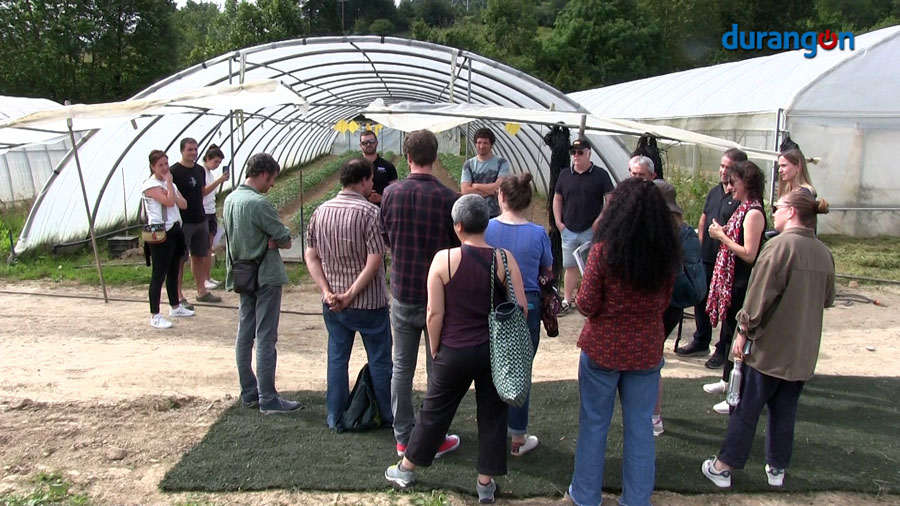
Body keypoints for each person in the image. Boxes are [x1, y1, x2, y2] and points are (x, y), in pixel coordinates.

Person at [384, 195, 527, 504]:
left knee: (434, 412)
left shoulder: (443, 260)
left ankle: (406, 469)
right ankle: (485, 486)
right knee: (492, 416)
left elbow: (434, 314)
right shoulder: (505, 259)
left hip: (455, 350)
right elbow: (522, 309)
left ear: (458, 226)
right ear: (485, 223)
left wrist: (435, 347)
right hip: (495, 354)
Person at [702, 190, 834, 489]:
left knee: (746, 408)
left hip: (768, 349)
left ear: (791, 211)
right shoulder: (824, 253)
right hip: (802, 351)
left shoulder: (778, 247)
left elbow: (758, 298)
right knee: (785, 412)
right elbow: (826, 299)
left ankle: (723, 466)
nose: (774, 210)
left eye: (778, 206)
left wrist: (743, 332)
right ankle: (776, 468)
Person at [566, 178, 680, 506]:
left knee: (594, 425)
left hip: (603, 349)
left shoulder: (603, 252)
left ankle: (586, 496)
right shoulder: (666, 256)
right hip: (645, 351)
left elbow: (586, 304)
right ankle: (636, 499)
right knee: (641, 429)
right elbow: (664, 303)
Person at [380, 129, 461, 457]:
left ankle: (403, 437)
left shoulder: (390, 194)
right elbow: (458, 249)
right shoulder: (450, 199)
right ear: (435, 157)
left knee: (401, 367)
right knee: (436, 368)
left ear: (407, 157)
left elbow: (386, 237)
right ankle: (433, 437)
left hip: (401, 291)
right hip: (438, 297)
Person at [305, 157, 393, 430]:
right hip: (369, 303)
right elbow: (375, 259)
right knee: (379, 359)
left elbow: (311, 254)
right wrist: (352, 293)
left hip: (333, 304)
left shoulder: (320, 212)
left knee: (337, 356)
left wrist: (328, 291)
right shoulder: (369, 213)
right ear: (365, 180)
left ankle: (335, 416)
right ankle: (387, 415)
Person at [223, 153, 301, 414]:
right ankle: (268, 398)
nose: (272, 185)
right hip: (265, 275)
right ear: (264, 173)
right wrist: (273, 240)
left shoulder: (231, 200)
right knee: (266, 337)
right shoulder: (259, 203)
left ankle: (249, 392)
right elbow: (286, 239)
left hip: (243, 274)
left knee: (245, 333)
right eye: (272, 179)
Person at [485, 173, 552, 456]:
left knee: (491, 368)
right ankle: (517, 438)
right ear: (526, 200)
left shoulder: (486, 228)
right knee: (521, 370)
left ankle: (491, 431)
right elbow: (547, 268)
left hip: (492, 303)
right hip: (528, 306)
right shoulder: (538, 233)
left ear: (501, 197)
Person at [704, 161, 767, 414]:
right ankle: (727, 379)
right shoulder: (743, 208)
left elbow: (750, 254)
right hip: (733, 281)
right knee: (728, 333)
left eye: (734, 183)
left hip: (741, 282)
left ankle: (736, 391)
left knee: (736, 337)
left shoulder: (753, 213)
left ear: (747, 183)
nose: (729, 188)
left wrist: (722, 237)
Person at [676, 148, 745, 358]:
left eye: (728, 167)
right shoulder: (715, 191)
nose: (723, 171)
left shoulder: (740, 197)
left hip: (727, 261)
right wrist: (699, 244)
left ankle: (723, 348)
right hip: (706, 256)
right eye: (721, 165)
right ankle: (701, 340)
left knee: (726, 304)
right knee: (701, 298)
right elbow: (704, 218)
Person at [651, 179, 702, 436]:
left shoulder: (658, 233)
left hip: (657, 305)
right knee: (654, 357)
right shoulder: (684, 232)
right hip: (672, 306)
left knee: (650, 362)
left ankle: (653, 416)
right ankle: (654, 416)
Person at [552, 137, 615, 315]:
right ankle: (567, 300)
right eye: (573, 153)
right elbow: (557, 198)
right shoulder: (565, 174)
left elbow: (610, 200)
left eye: (580, 152)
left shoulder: (600, 175)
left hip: (590, 229)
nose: (576, 156)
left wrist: (599, 221)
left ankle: (591, 301)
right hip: (568, 229)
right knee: (569, 266)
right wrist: (559, 222)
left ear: (589, 153)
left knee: (591, 267)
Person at [142, 150, 193, 329]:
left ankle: (175, 306)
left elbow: (183, 204)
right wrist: (170, 186)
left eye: (166, 163)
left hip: (175, 229)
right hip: (160, 232)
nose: (164, 168)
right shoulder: (150, 185)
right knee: (159, 274)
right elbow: (170, 202)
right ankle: (155, 315)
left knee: (173, 270)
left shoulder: (168, 183)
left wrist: (171, 189)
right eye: (160, 165)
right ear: (152, 167)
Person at [170, 138, 221, 306]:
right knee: (180, 260)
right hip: (184, 222)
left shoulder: (199, 170)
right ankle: (178, 295)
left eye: (195, 149)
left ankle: (202, 290)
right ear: (182, 151)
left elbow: (201, 192)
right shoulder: (174, 172)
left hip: (201, 218)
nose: (193, 152)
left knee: (199, 256)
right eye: (189, 149)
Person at [460, 127, 510, 218]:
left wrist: (476, 186)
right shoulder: (468, 164)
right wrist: (492, 191)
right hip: (473, 212)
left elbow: (499, 187)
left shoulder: (501, 163)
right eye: (479, 142)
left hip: (495, 213)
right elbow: (465, 191)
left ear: (491, 145)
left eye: (485, 143)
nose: (481, 146)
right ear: (475, 143)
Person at [201, 144, 229, 290]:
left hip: (211, 211)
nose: (217, 165)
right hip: (204, 212)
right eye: (215, 162)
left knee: (209, 247)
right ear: (207, 158)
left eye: (219, 162)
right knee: (205, 248)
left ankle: (208, 277)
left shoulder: (209, 174)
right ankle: (204, 279)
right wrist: (219, 181)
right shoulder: (202, 173)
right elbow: (203, 192)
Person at [359, 129, 398, 206]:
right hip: (359, 210)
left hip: (382, 209)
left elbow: (395, 192)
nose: (368, 144)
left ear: (376, 143)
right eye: (365, 143)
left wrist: (382, 198)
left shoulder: (388, 166)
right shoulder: (355, 167)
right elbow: (349, 190)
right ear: (360, 145)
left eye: (371, 141)